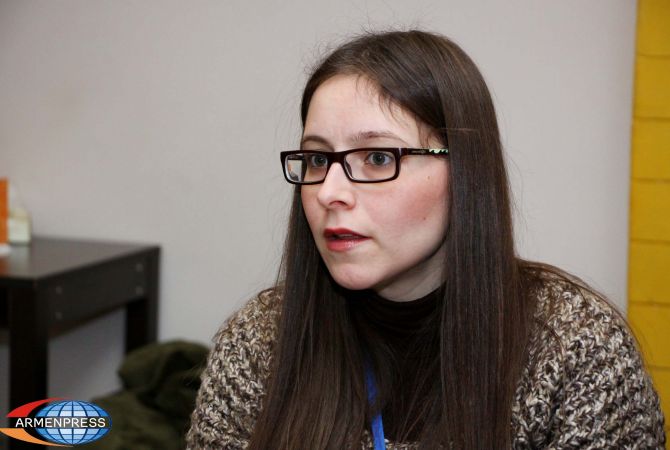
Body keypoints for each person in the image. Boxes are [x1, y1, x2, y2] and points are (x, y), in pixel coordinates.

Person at [186, 30, 666, 449]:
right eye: (316, 159)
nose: (329, 192)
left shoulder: (574, 349)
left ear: (464, 171)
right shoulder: (258, 343)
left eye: (377, 158)